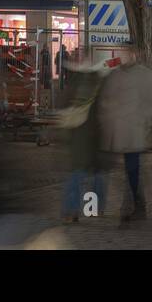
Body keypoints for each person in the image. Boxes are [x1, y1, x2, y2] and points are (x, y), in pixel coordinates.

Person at [96, 52, 152, 223]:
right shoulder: (115, 74)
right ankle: (132, 205)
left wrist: (141, 117)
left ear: (134, 54)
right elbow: (106, 99)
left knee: (132, 169)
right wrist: (108, 116)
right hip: (118, 130)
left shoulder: (144, 74)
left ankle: (134, 206)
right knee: (122, 170)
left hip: (133, 130)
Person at [59, 61, 106, 222]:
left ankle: (72, 210)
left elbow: (62, 105)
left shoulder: (75, 82)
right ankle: (92, 208)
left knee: (78, 173)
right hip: (96, 136)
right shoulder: (100, 83)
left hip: (79, 136)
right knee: (95, 174)